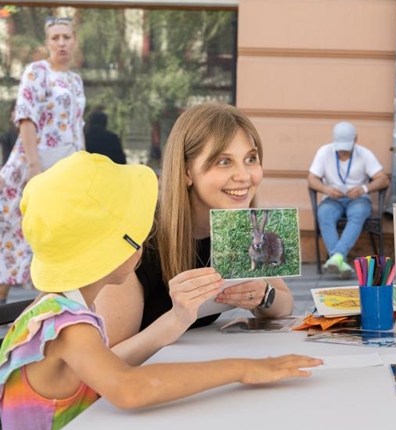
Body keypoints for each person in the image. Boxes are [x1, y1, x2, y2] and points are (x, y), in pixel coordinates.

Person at [0, 152, 321, 430]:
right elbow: (130, 389)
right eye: (140, 232)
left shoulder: (53, 309)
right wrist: (245, 369)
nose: (148, 238)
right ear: (116, 248)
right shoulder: (69, 326)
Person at [95, 104, 295, 365]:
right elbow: (106, 362)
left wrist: (263, 294)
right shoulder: (135, 239)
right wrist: (176, 319)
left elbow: (285, 304)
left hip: (194, 375)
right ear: (186, 172)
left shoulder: (236, 226)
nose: (245, 176)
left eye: (251, 159)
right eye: (224, 161)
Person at [0, 16, 85, 306]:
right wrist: (34, 166)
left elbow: (76, 127)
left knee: (54, 235)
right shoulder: (37, 72)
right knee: (17, 232)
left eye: (66, 37)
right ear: (47, 42)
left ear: (75, 40)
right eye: (55, 38)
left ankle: (48, 309)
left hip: (64, 170)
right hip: (33, 165)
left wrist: (83, 167)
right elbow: (26, 117)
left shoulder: (74, 80)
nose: (61, 42)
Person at [307, 122, 389, 279]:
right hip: (332, 198)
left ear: (355, 139)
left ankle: (336, 257)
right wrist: (326, 189)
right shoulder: (324, 152)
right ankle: (340, 260)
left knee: (358, 213)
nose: (343, 151)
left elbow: (383, 179)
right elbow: (311, 179)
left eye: (346, 146)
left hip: (358, 199)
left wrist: (363, 189)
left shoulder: (364, 154)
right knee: (324, 213)